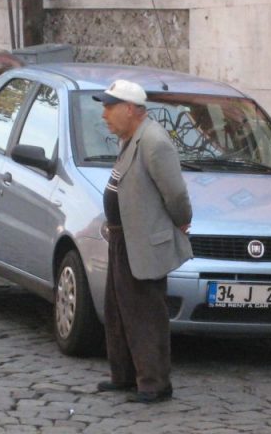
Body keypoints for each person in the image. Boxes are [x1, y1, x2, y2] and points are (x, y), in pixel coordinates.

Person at [92, 79, 193, 404]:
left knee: (145, 315)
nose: (104, 114)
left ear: (131, 109)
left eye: (110, 107)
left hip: (144, 242)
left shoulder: (153, 141)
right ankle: (123, 375)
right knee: (119, 310)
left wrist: (182, 219)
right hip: (123, 239)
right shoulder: (130, 139)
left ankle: (154, 383)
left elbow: (175, 193)